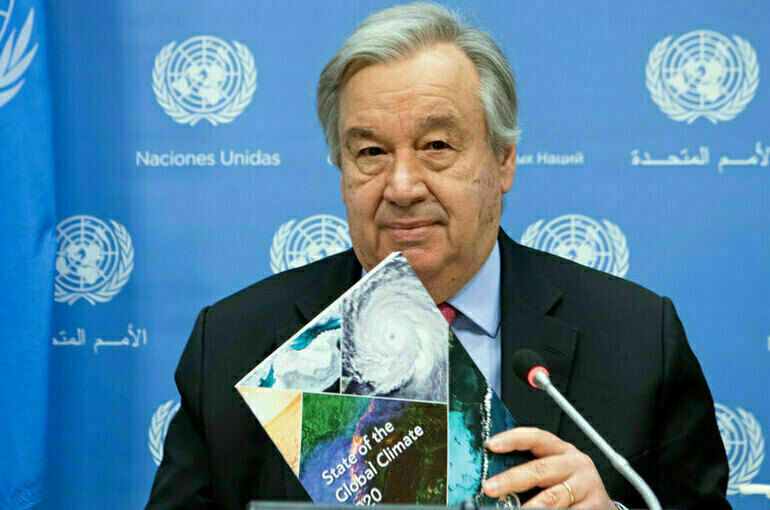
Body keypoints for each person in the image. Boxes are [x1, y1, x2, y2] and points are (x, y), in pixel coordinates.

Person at [147, 3, 730, 509]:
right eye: (371, 152)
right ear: (342, 171)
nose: (402, 186)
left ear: (503, 160)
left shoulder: (636, 340)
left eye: (437, 146)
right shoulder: (237, 345)